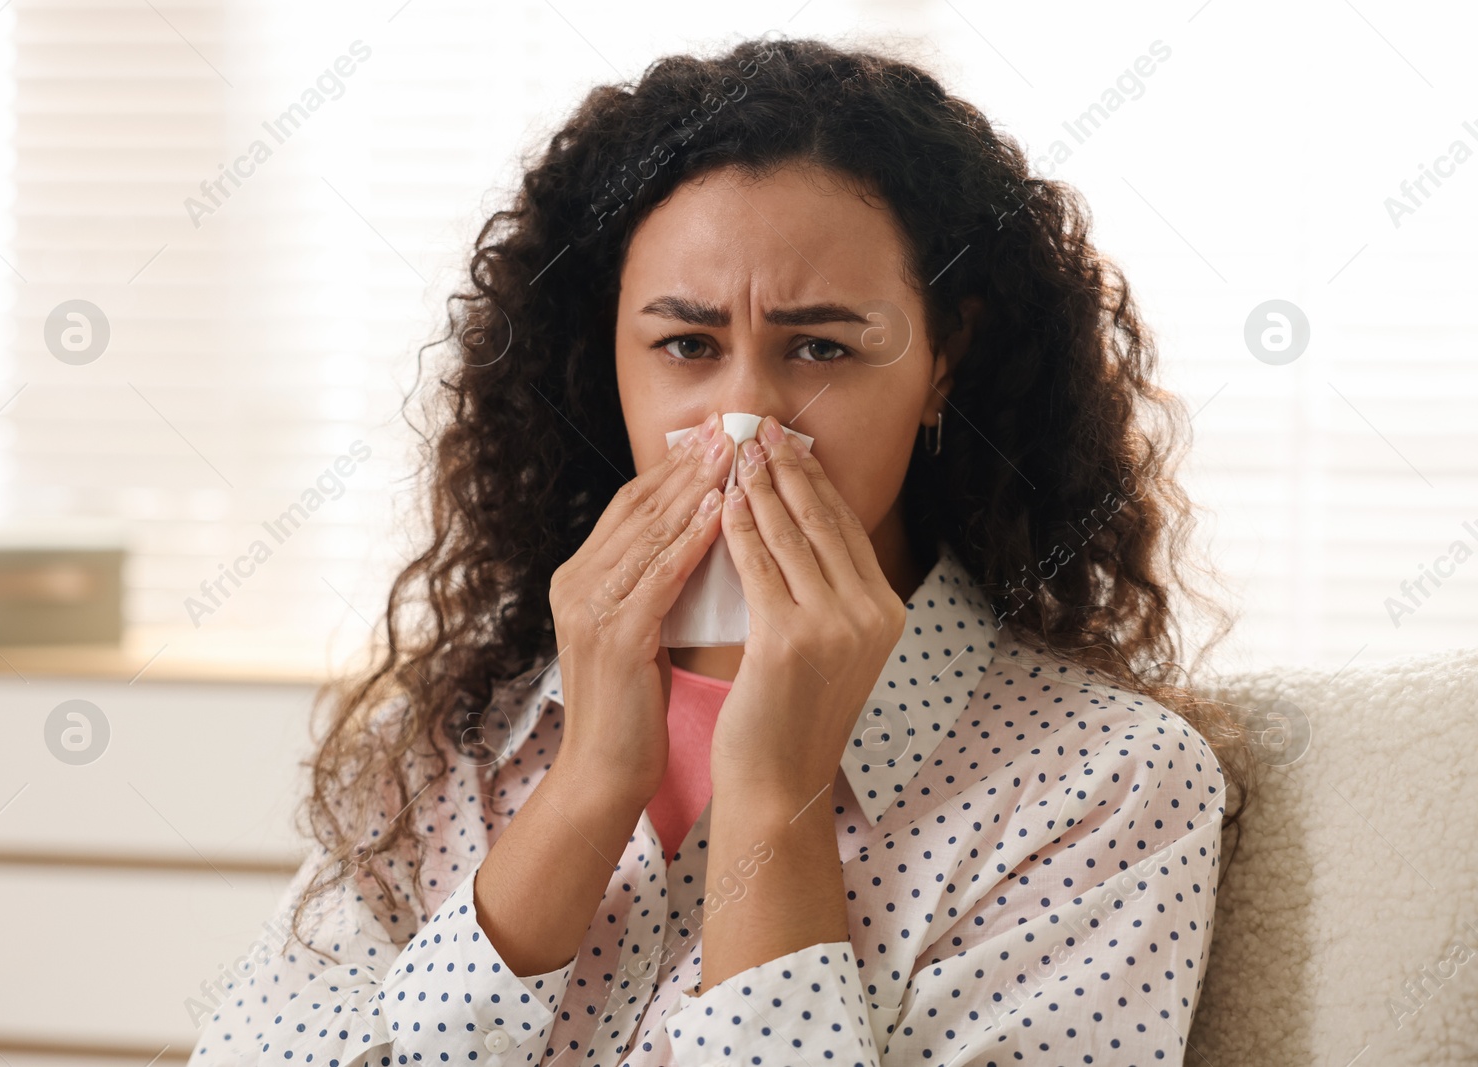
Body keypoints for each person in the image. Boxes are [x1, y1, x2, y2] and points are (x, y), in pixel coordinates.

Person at [189, 33, 1252, 1067]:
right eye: (687, 346)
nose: (745, 417)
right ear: (602, 356)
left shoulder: (1100, 784)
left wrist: (775, 795)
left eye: (821, 348)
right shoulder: (452, 740)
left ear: (940, 362)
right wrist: (590, 779)